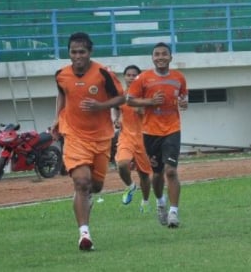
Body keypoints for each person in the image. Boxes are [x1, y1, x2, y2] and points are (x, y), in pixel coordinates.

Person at [51, 32, 125, 251]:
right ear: (69, 53)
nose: (77, 56)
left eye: (82, 52)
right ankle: (84, 234)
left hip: (101, 137)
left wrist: (100, 106)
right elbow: (63, 94)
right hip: (73, 135)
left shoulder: (103, 73)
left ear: (90, 52)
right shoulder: (61, 75)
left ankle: (88, 197)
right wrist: (58, 118)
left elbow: (122, 98)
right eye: (73, 52)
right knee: (81, 182)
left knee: (96, 185)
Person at [127, 42, 188, 228]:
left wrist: (184, 103)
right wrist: (150, 101)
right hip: (150, 131)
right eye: (157, 54)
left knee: (171, 170)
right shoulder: (143, 78)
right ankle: (161, 203)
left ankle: (173, 213)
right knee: (157, 174)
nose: (160, 57)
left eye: (164, 54)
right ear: (152, 58)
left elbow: (183, 97)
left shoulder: (179, 78)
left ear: (171, 57)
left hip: (172, 129)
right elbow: (130, 100)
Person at [113, 65, 153, 212]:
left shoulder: (144, 95)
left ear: (139, 77)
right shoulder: (121, 95)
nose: (131, 77)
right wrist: (116, 119)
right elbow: (116, 108)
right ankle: (130, 186)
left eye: (134, 75)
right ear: (124, 77)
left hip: (144, 139)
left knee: (144, 175)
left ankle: (145, 201)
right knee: (122, 164)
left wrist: (139, 108)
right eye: (128, 75)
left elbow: (149, 111)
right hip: (126, 137)